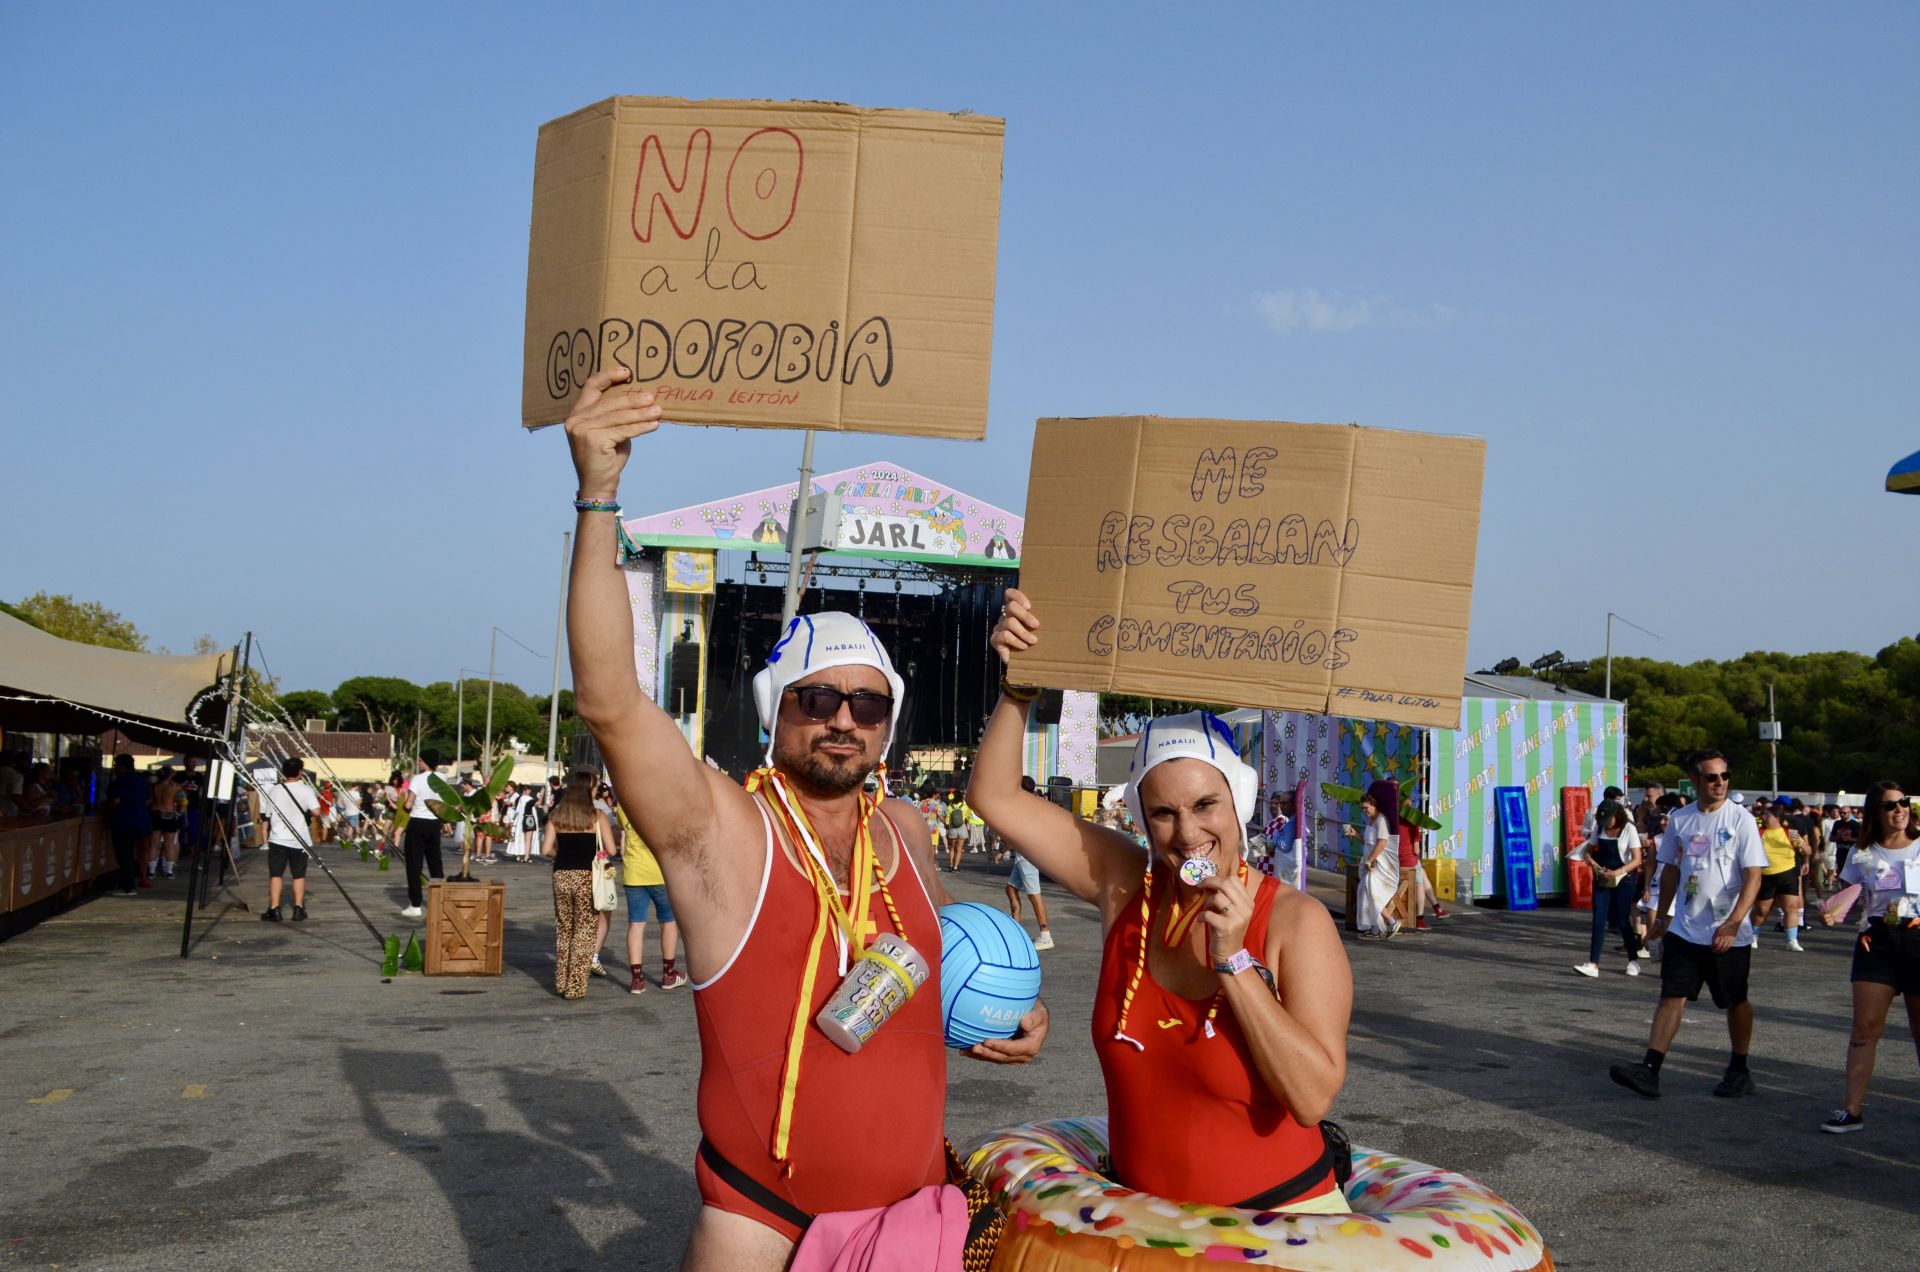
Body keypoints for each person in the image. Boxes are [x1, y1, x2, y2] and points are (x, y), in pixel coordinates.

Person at [561, 366, 1045, 1270]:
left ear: (888, 726)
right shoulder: (724, 830)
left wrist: (996, 1020)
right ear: (775, 711)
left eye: (869, 706)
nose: (843, 719)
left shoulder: (903, 831)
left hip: (906, 1222)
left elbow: (906, 990)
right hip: (759, 1226)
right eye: (816, 697)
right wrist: (599, 495)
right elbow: (611, 701)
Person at [971, 588, 1353, 1213]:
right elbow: (996, 797)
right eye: (1164, 814)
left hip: (1280, 1225)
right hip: (1141, 1224)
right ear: (1143, 824)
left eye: (1206, 806)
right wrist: (1019, 687)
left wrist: (1234, 962)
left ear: (1240, 804)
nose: (1188, 832)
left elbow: (1312, 1097)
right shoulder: (1128, 885)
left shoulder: (1294, 922)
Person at [1609, 750, 1767, 1099]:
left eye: (1725, 776)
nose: (1721, 783)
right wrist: (1662, 918)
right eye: (1712, 777)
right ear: (1695, 781)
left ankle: (1740, 1069)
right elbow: (1671, 872)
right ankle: (1650, 1070)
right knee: (1671, 995)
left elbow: (1754, 876)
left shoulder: (1740, 819)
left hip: (1728, 932)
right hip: (1685, 927)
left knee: (1734, 1001)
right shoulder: (1680, 819)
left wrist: (1733, 924)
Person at [1815, 780, 1920, 1132]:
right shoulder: (1862, 854)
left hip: (1918, 939)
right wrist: (1832, 912)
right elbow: (1846, 899)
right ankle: (1851, 1110)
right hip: (1875, 943)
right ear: (1876, 812)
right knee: (1864, 1028)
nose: (1900, 809)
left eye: (1903, 802)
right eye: (1890, 805)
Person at [541, 769, 617, 1000]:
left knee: (564, 929)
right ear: (587, 790)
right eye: (594, 788)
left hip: (561, 875)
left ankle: (561, 981)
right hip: (587, 877)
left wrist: (561, 853)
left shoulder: (556, 815)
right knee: (584, 931)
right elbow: (612, 850)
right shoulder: (598, 816)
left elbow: (545, 850)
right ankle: (575, 985)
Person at [616, 803, 686, 992]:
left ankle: (637, 979)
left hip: (634, 872)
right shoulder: (659, 801)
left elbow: (623, 828)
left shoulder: (623, 802)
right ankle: (668, 974)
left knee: (636, 924)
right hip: (660, 872)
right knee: (668, 922)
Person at [1573, 799, 1642, 978]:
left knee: (1622, 921)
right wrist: (1595, 865)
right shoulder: (1599, 828)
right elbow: (1587, 851)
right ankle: (1593, 963)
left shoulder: (1629, 829)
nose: (1606, 824)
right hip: (1603, 879)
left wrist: (1617, 872)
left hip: (1624, 879)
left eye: (1608, 820)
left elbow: (1637, 859)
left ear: (1617, 816)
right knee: (1598, 920)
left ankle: (1633, 960)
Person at [258, 756, 322, 921]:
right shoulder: (306, 790)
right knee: (298, 875)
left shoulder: (274, 790)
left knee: (276, 874)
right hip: (299, 839)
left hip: (278, 838)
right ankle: (299, 908)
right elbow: (316, 811)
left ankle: (274, 908)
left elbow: (268, 814)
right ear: (300, 772)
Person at [1004, 776, 1056, 952]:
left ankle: (1045, 934)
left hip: (1027, 855)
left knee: (1034, 894)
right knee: (1010, 888)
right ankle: (1016, 930)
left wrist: (1002, 850)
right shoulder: (1036, 803)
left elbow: (1014, 833)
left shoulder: (1022, 807)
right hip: (1027, 854)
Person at [1749, 807, 1809, 951]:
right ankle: (1752, 935)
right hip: (1766, 875)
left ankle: (1791, 940)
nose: (1764, 817)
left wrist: (1801, 847)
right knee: (1762, 910)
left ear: (1777, 818)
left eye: (1768, 815)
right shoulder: (1758, 832)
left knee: (1791, 907)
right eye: (1764, 814)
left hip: (1787, 874)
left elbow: (1808, 850)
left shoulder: (1790, 832)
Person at [398, 752, 445, 919]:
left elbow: (409, 803)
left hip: (417, 822)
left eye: (420, 760)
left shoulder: (418, 779)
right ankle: (438, 902)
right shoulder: (443, 778)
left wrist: (404, 803)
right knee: (435, 862)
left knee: (414, 864)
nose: (418, 762)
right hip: (434, 823)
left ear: (426, 762)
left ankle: (415, 904)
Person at [1354, 782, 1400, 939]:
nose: (1364, 811)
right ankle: (1374, 929)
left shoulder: (1381, 821)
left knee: (1373, 893)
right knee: (1365, 892)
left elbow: (1382, 843)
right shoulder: (1370, 821)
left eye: (1366, 808)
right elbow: (1368, 842)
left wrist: (1370, 860)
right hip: (1369, 862)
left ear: (1374, 805)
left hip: (1378, 864)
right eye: (1362, 809)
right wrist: (1356, 835)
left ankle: (1391, 921)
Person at [103, 754, 152, 897]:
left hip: (124, 821)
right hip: (142, 821)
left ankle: (128, 887)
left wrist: (106, 810)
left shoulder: (120, 781)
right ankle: (128, 883)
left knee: (124, 855)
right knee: (134, 854)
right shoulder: (141, 780)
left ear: (121, 766)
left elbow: (116, 800)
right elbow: (148, 799)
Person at [149, 767, 184, 880]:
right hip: (169, 814)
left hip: (155, 814)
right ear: (170, 775)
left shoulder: (155, 786)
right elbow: (183, 802)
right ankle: (169, 871)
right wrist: (180, 812)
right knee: (169, 844)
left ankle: (151, 871)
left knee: (154, 844)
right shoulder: (175, 787)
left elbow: (150, 801)